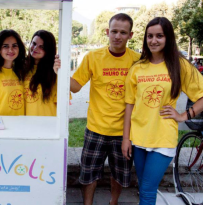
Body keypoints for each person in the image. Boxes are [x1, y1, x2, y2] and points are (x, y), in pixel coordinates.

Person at [54, 13, 140, 205]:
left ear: (130, 35)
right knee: (89, 173)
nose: (117, 36)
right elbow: (76, 86)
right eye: (114, 31)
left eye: (123, 32)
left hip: (124, 131)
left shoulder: (137, 60)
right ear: (107, 32)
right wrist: (59, 72)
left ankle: (113, 202)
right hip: (96, 128)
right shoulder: (93, 57)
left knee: (119, 174)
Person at [122, 17, 203, 205]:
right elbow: (129, 105)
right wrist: (126, 138)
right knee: (143, 187)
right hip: (139, 138)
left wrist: (184, 115)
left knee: (148, 191)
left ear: (168, 38)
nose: (154, 40)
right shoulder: (137, 68)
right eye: (150, 36)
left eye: (159, 36)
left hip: (163, 139)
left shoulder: (179, 65)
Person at [24, 30, 57, 116]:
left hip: (47, 124)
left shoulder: (54, 72)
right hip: (24, 124)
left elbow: (61, 104)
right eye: (34, 43)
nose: (35, 48)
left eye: (41, 47)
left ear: (48, 50)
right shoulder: (21, 68)